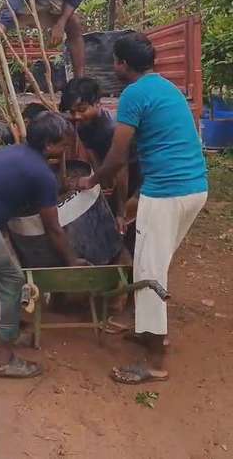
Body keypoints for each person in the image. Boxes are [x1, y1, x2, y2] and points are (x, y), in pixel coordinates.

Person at [76, 33, 208, 384]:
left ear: (121, 63)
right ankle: (149, 330)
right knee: (154, 264)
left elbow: (118, 156)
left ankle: (155, 359)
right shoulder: (166, 87)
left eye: (115, 61)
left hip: (166, 193)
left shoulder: (133, 94)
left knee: (149, 273)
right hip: (195, 188)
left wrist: (92, 181)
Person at [0, 111, 89, 379]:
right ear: (48, 145)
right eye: (63, 144)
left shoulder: (10, 151)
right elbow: (53, 228)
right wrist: (72, 260)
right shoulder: (42, 174)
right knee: (11, 280)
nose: (66, 149)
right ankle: (2, 359)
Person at [60, 76, 141, 256]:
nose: (76, 116)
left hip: (139, 175)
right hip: (118, 172)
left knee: (129, 222)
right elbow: (92, 153)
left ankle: (136, 266)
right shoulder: (82, 125)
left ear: (97, 103)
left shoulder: (111, 129)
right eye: (71, 112)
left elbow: (122, 170)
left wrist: (121, 211)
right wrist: (101, 180)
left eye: (82, 110)